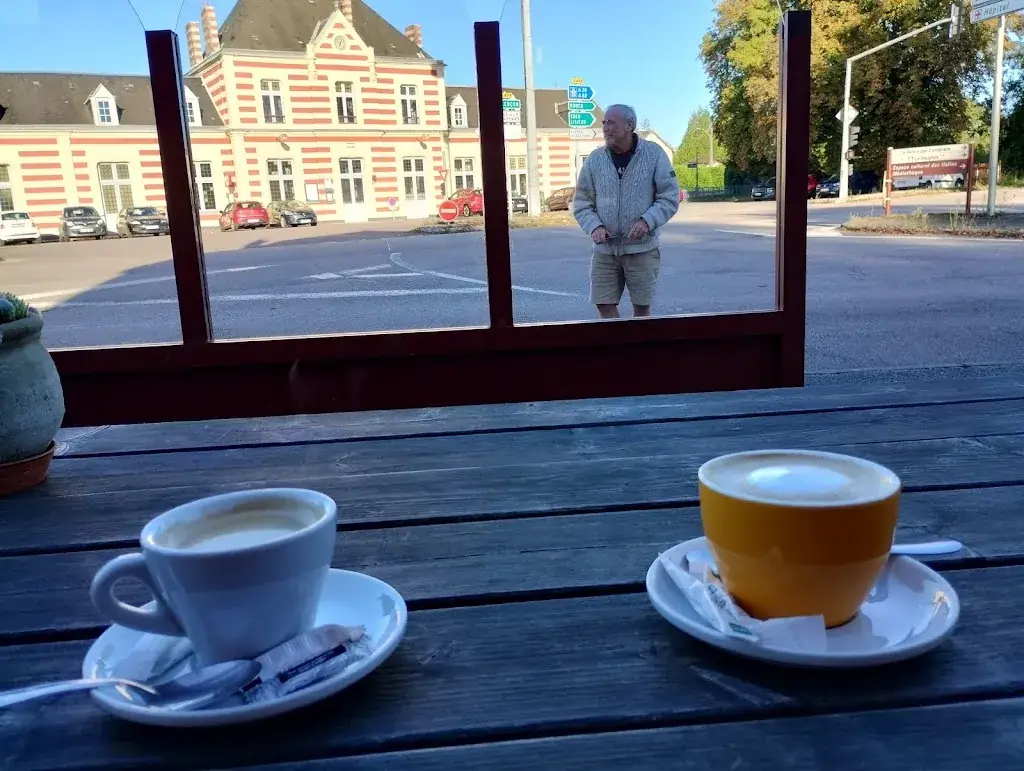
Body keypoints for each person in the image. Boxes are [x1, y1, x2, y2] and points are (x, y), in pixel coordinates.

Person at [573, 104, 680, 318]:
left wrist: (646, 221)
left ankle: (639, 350)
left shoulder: (653, 154)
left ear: (629, 126)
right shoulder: (595, 159)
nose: (605, 128)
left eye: (611, 122)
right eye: (604, 123)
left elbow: (669, 197)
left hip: (642, 250)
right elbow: (582, 203)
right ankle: (618, 349)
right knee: (603, 304)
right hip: (605, 251)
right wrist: (595, 226)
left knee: (641, 309)